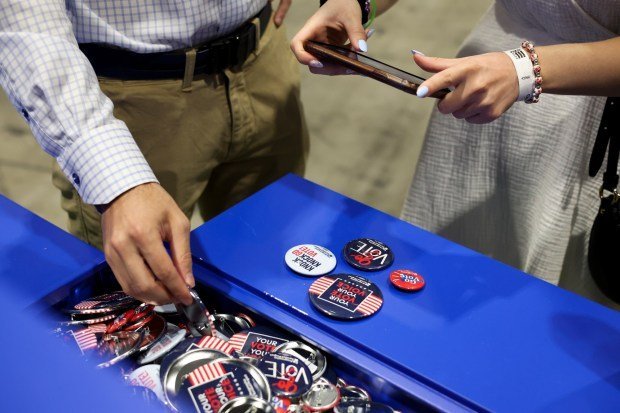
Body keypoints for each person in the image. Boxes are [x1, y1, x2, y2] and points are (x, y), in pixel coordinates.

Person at [292, 0, 620, 306]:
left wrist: (524, 70)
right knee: (437, 284)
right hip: (477, 88)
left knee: (542, 306)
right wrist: (360, 3)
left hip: (586, 106)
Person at [0, 0, 307, 306]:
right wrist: (116, 178)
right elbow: (23, 19)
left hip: (266, 56)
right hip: (133, 97)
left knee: (275, 268)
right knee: (143, 310)